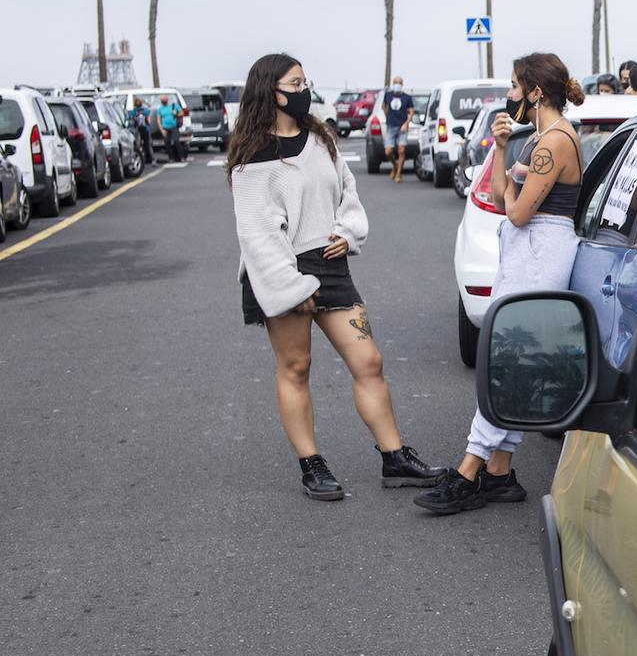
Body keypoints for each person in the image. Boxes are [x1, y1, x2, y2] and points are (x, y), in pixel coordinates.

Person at [229, 52, 447, 501]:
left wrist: (348, 232)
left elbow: (347, 191)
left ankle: (394, 456)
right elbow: (257, 234)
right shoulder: (252, 158)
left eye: (306, 81)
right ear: (270, 90)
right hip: (281, 271)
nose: (304, 90)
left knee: (369, 361)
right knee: (296, 366)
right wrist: (292, 287)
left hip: (330, 263)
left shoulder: (320, 137)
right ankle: (312, 464)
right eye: (295, 83)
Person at [417, 53, 589, 515]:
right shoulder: (537, 138)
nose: (509, 96)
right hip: (527, 254)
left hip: (539, 256)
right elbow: (498, 195)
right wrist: (500, 147)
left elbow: (515, 211)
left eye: (514, 87)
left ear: (534, 92)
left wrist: (515, 183)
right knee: (515, 364)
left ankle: (469, 470)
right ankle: (498, 471)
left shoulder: (555, 142)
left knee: (509, 363)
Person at [381, 76, 413, 183]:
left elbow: (411, 112)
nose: (397, 84)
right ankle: (395, 166)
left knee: (401, 150)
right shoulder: (388, 95)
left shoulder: (407, 98)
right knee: (388, 152)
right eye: (395, 82)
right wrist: (387, 117)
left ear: (402, 84)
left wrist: (406, 123)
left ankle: (398, 174)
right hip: (391, 126)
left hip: (402, 127)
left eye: (399, 82)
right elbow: (384, 107)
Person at [153, 96, 185, 161]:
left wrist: (176, 114)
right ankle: (171, 158)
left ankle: (182, 157)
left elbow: (182, 113)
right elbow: (158, 119)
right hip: (165, 128)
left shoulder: (174, 106)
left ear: (167, 100)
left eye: (164, 100)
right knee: (167, 143)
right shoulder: (160, 109)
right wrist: (161, 129)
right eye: (162, 100)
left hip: (174, 127)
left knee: (176, 141)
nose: (163, 101)